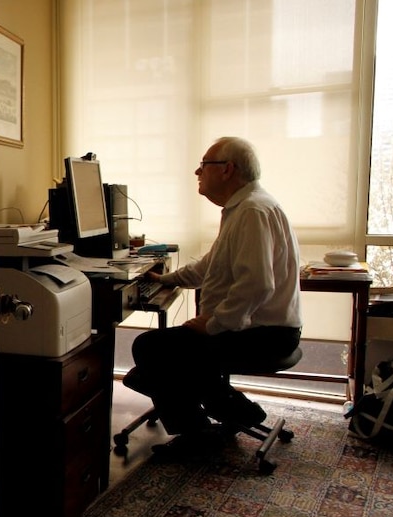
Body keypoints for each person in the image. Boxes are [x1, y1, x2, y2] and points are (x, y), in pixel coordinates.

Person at [126, 137, 302, 459]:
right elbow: (211, 267)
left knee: (149, 350)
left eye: (203, 164)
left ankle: (201, 432)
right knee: (158, 358)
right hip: (261, 328)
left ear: (227, 170)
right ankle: (231, 408)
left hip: (265, 334)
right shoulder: (243, 208)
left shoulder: (252, 211)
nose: (197, 171)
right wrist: (166, 279)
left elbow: (258, 284)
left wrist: (216, 324)